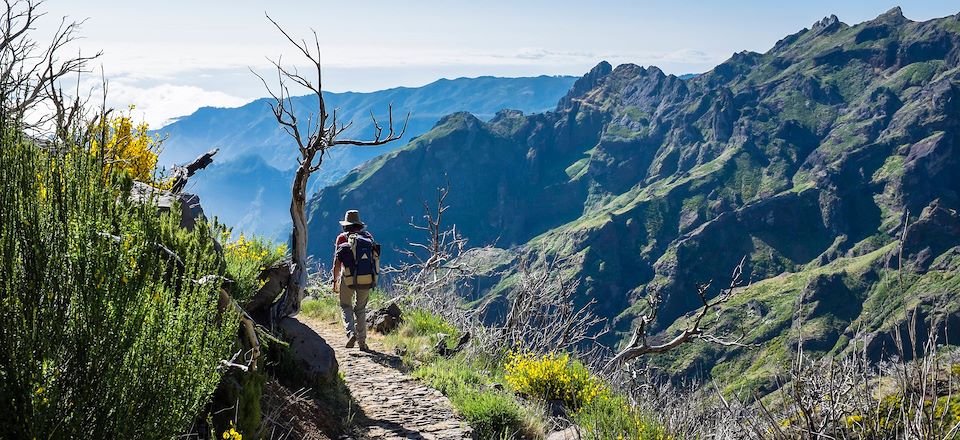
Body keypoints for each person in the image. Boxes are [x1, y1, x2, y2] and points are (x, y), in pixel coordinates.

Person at [332, 209, 377, 351]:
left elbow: (337, 262)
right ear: (359, 224)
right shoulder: (368, 237)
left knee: (346, 306)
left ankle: (351, 333)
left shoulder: (342, 238)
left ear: (345, 225)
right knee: (361, 309)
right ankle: (362, 343)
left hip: (348, 277)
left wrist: (335, 281)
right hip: (366, 277)